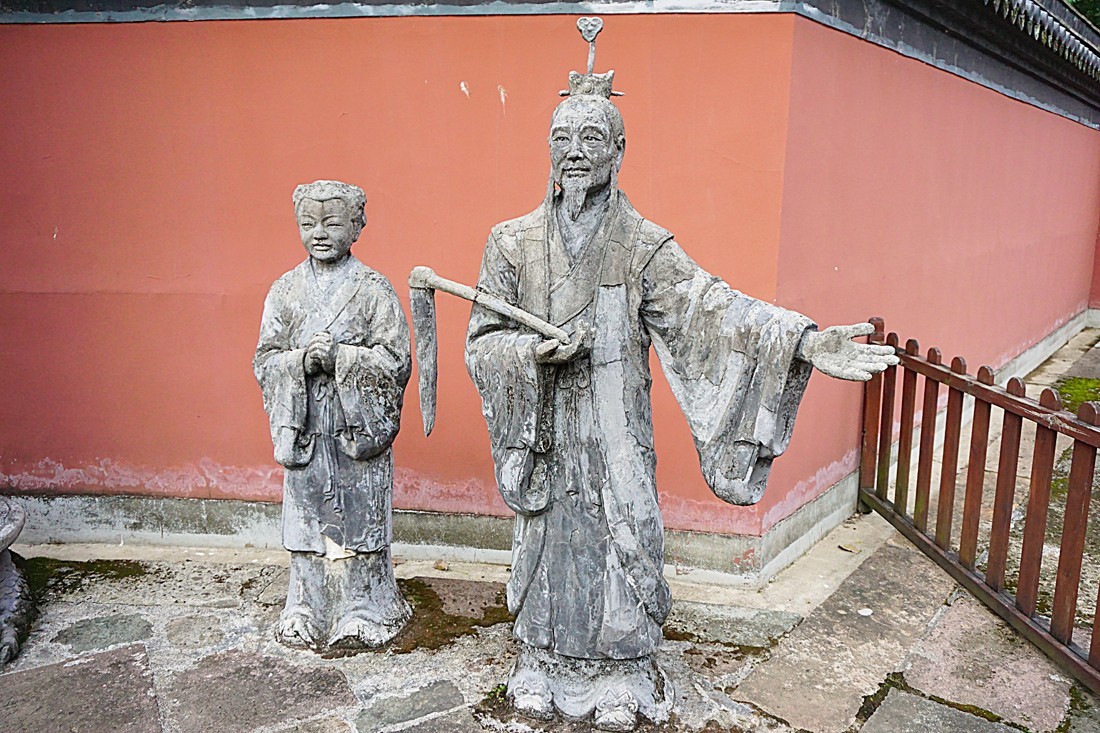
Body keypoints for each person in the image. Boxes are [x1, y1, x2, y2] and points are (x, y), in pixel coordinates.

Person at [464, 58, 897, 732]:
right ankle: (543, 660)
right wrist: (525, 354)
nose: (574, 152)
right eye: (562, 138)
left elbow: (714, 311)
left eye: (590, 138)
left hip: (616, 433)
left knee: (621, 537)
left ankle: (621, 670)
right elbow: (482, 336)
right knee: (549, 538)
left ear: (619, 149)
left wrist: (805, 342)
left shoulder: (643, 246)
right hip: (543, 432)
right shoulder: (511, 244)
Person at [254, 180, 412, 650]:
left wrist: (343, 358)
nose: (319, 232)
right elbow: (266, 359)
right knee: (305, 515)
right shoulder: (285, 291)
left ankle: (364, 604)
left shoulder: (373, 289)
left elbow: (396, 361)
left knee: (359, 514)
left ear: (358, 226)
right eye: (308, 223)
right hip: (304, 425)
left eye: (332, 222)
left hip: (353, 426)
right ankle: (305, 602)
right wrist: (300, 361)